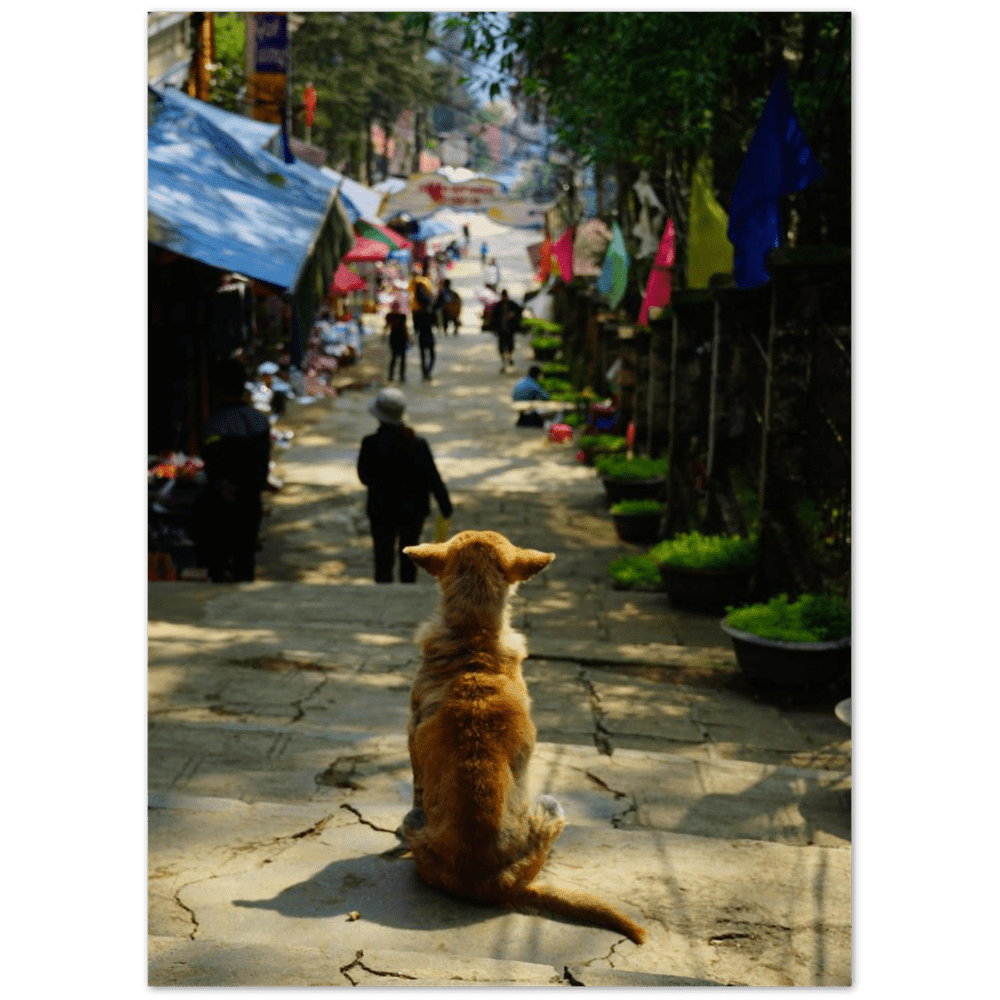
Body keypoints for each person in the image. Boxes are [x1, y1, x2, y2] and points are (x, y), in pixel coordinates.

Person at [357, 388, 453, 584]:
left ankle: (383, 591)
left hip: (381, 509)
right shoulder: (418, 443)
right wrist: (444, 503)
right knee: (409, 553)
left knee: (383, 555)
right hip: (413, 509)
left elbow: (364, 477)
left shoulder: (370, 443)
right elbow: (432, 476)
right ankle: (407, 590)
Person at [197, 358, 272, 583]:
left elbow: (211, 462)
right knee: (245, 558)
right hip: (250, 500)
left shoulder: (215, 424)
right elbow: (262, 466)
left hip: (222, 502)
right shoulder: (259, 421)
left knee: (219, 560)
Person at [408, 265, 436, 381]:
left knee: (424, 356)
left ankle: (425, 373)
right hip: (428, 337)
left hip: (422, 337)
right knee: (431, 356)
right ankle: (427, 372)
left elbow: (416, 329)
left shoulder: (417, 314)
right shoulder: (428, 312)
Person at [494, 289, 521, 372]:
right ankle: (504, 364)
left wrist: (513, 315)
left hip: (510, 330)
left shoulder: (512, 305)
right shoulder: (498, 306)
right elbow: (494, 317)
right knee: (501, 348)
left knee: (510, 347)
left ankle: (509, 358)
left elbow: (519, 311)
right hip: (501, 330)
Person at [385, 299, 410, 382]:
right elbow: (404, 327)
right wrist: (408, 338)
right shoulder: (400, 316)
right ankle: (400, 376)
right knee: (400, 358)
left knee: (395, 357)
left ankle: (392, 376)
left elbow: (387, 326)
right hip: (399, 337)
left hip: (396, 337)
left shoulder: (391, 315)